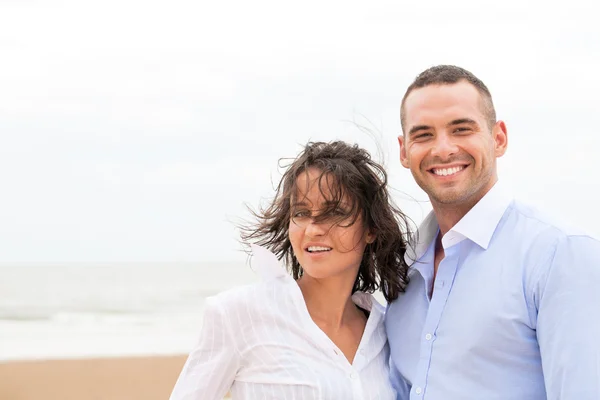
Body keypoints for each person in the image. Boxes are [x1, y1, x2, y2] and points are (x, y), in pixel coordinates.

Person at [386, 64, 600, 399]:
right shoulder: (403, 270)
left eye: (461, 129)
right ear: (403, 150)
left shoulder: (559, 254)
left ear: (498, 138)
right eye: (423, 134)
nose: (442, 149)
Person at [170, 140, 412, 399]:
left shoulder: (386, 329)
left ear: (371, 229)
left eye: (334, 213)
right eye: (301, 213)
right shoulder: (238, 314)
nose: (313, 229)